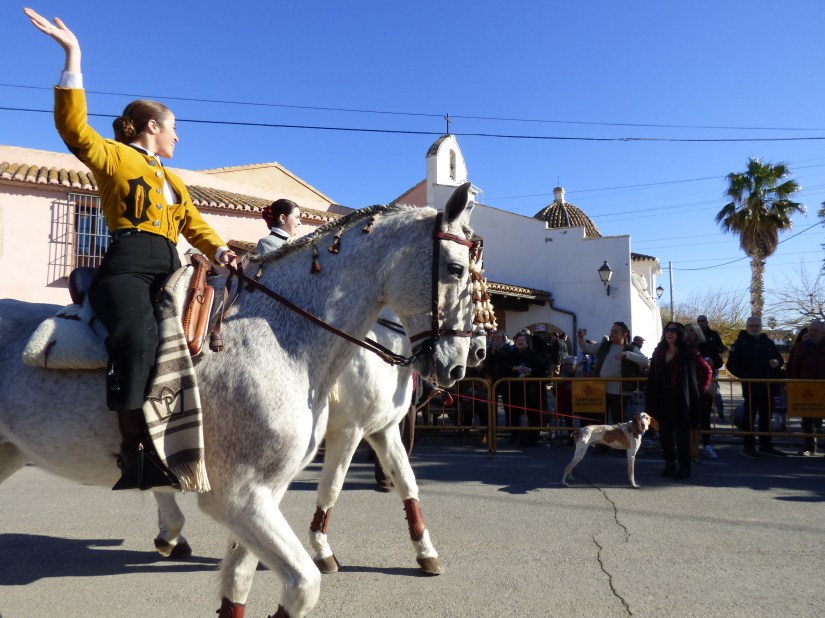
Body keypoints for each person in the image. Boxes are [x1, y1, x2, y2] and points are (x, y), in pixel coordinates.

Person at [25, 9, 240, 491]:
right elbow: (74, 129)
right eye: (173, 128)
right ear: (149, 127)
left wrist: (222, 251)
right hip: (126, 268)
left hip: (171, 267)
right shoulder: (113, 157)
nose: (178, 136)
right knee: (137, 337)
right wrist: (73, 55)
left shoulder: (173, 179)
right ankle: (133, 451)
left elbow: (193, 224)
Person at [646, 323, 712, 480]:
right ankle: (670, 463)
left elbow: (707, 370)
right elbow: (652, 376)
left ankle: (684, 466)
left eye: (673, 331)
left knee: (682, 436)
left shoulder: (690, 352)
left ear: (680, 334)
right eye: (667, 330)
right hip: (662, 398)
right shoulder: (659, 352)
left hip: (681, 400)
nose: (669, 333)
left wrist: (698, 390)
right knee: (665, 434)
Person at [725, 316, 786, 458]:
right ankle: (749, 446)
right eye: (751, 326)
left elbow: (780, 359)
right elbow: (731, 365)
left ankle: (766, 445)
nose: (754, 328)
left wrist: (777, 362)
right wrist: (746, 376)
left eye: (757, 325)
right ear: (747, 327)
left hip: (769, 385)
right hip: (751, 387)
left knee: (767, 416)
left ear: (761, 326)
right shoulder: (741, 344)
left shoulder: (768, 342)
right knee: (750, 417)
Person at [577, 322, 648, 426]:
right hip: (600, 388)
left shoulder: (631, 348)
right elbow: (588, 348)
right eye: (611, 331)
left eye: (615, 331)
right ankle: (601, 441)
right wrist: (581, 338)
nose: (612, 333)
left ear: (624, 334)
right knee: (600, 420)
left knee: (618, 420)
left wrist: (628, 355)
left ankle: (616, 441)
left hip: (620, 391)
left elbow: (645, 361)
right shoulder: (604, 345)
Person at [788, 320, 825, 456]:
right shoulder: (801, 347)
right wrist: (794, 384)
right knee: (808, 422)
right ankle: (809, 447)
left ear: (823, 332)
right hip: (806, 390)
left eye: (815, 330)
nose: (812, 333)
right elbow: (793, 366)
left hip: (823, 389)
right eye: (810, 330)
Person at [504, 330, 547, 446]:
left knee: (533, 414)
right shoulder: (511, 354)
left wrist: (530, 370)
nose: (520, 342)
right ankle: (515, 435)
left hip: (531, 390)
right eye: (518, 340)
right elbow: (503, 366)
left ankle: (533, 437)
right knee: (514, 412)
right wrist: (514, 368)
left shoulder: (533, 354)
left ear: (527, 343)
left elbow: (543, 367)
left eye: (522, 340)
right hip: (514, 389)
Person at [684, 322, 718, 459]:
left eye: (691, 330)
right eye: (686, 330)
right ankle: (688, 445)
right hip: (687, 385)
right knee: (687, 416)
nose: (688, 333)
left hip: (704, 385)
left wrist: (711, 362)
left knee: (704, 416)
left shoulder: (706, 346)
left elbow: (718, 361)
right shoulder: (682, 347)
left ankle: (707, 444)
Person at [697, 315, 728, 420]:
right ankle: (702, 411)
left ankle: (720, 411)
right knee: (700, 390)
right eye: (699, 321)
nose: (701, 322)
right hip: (698, 368)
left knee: (715, 391)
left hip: (712, 367)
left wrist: (716, 349)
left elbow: (721, 347)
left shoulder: (713, 334)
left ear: (707, 322)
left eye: (703, 321)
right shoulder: (694, 335)